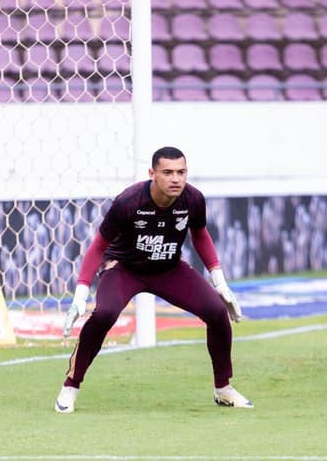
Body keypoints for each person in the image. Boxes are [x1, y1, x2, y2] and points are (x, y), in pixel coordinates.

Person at [54, 146, 252, 413]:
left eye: (181, 172)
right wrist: (80, 294)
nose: (176, 179)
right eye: (167, 172)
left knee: (217, 312)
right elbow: (99, 245)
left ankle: (223, 388)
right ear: (152, 174)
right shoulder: (129, 201)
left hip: (168, 269)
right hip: (124, 269)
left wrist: (219, 282)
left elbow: (200, 235)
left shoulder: (193, 199)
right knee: (105, 314)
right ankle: (71, 385)